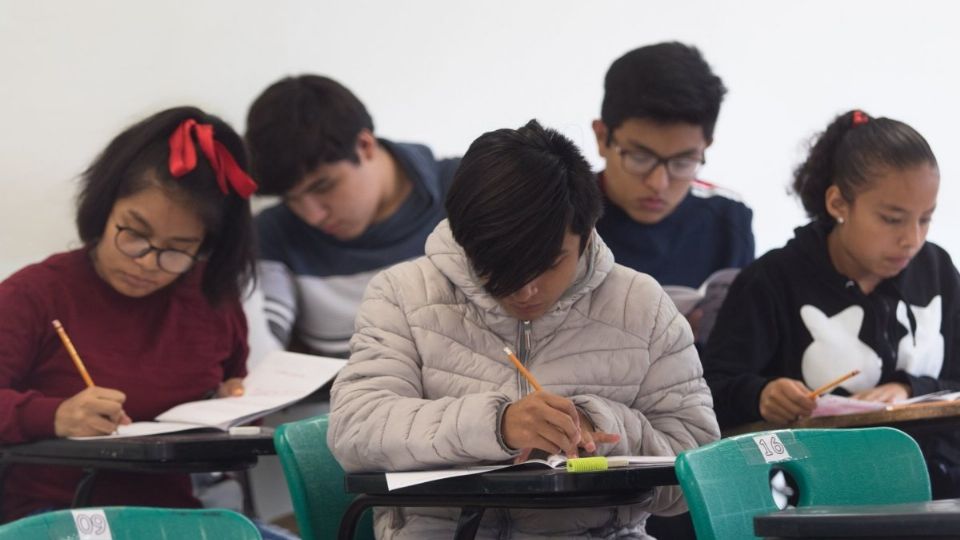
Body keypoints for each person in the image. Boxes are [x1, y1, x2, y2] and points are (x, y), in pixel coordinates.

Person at [328, 120, 719, 539]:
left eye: (550, 264)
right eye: (498, 266)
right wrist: (497, 425)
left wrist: (600, 425)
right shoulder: (403, 295)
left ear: (586, 236)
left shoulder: (640, 304)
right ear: (464, 240)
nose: (525, 288)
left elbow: (699, 472)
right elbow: (355, 429)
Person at [0, 107, 257, 521]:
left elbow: (234, 386)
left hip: (175, 518)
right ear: (104, 206)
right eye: (134, 233)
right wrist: (56, 416)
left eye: (177, 249)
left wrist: (234, 402)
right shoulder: (37, 295)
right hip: (60, 517)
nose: (147, 263)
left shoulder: (212, 300)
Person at [703, 110, 960, 498]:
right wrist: (761, 394)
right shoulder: (773, 280)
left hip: (942, 486)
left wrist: (909, 388)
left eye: (926, 219)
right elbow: (710, 393)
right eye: (892, 219)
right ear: (839, 203)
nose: (912, 239)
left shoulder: (936, 268)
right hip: (816, 497)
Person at [245, 75, 460, 357]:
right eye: (291, 199)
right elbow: (263, 351)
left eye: (323, 186)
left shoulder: (470, 190)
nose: (313, 216)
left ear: (365, 145)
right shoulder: (274, 231)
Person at [592, 42, 754, 290]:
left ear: (705, 147)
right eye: (639, 158)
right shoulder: (559, 215)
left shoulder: (728, 222)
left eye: (683, 162)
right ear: (602, 138)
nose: (658, 183)